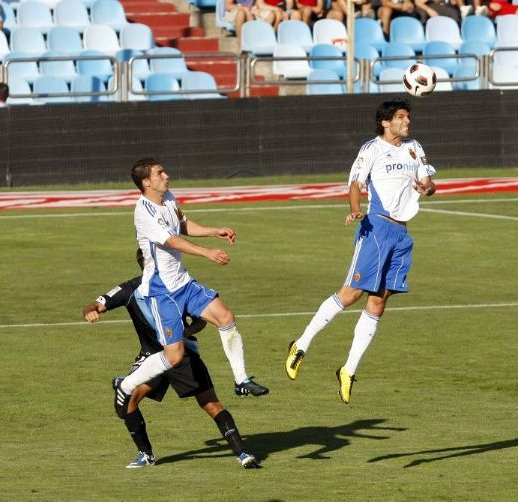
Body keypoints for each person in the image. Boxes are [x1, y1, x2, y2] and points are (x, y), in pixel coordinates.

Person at [285, 99, 436, 404]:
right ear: (385, 122)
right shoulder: (371, 149)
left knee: (379, 303)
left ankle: (348, 370)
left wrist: (427, 188)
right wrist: (355, 209)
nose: (407, 122)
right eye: (401, 117)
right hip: (377, 228)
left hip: (402, 233)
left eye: (407, 117)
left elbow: (428, 181)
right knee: (351, 293)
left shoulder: (414, 147)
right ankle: (301, 345)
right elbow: (356, 183)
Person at [113, 158, 268, 419]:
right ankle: (126, 385)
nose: (166, 175)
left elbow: (183, 225)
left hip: (183, 283)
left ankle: (241, 381)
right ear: (146, 182)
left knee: (225, 317)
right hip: (162, 291)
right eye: (160, 173)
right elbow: (173, 240)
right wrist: (207, 253)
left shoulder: (169, 198)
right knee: (174, 357)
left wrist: (213, 231)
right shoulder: (144, 212)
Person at [83, 250, 260, 469]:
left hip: (182, 355)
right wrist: (91, 311)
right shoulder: (130, 289)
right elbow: (95, 304)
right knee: (127, 403)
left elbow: (201, 321)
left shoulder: (177, 286)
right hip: (151, 358)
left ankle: (242, 453)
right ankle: (146, 454)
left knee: (210, 404)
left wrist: (183, 334)